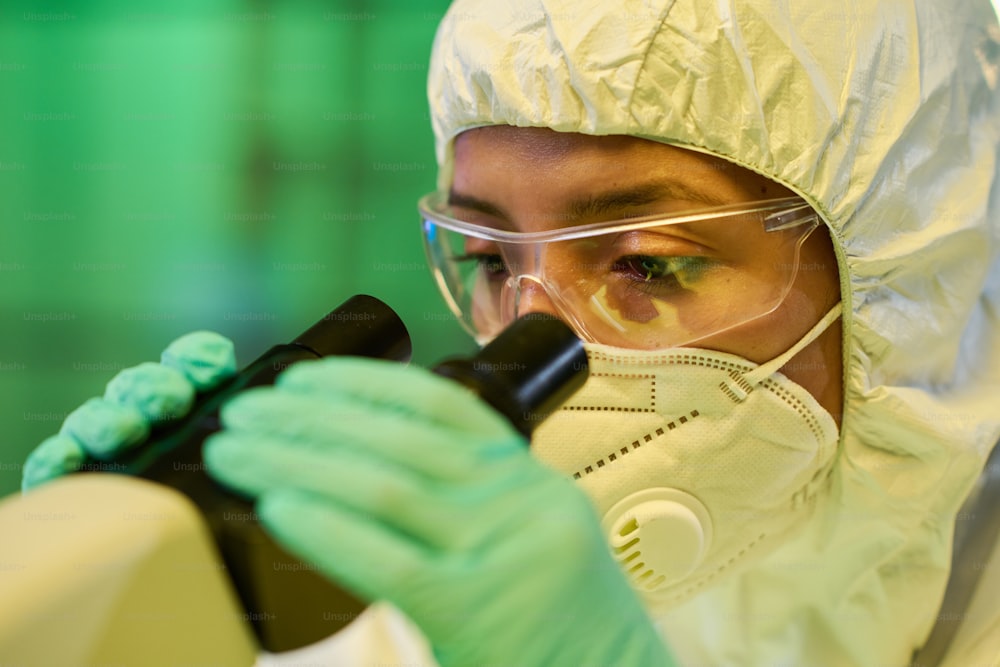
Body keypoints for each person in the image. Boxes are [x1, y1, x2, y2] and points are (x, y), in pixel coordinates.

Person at [20, 0, 1000, 665]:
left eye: (647, 264)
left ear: (906, 285)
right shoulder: (410, 610)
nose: (526, 335)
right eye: (490, 259)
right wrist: (129, 604)